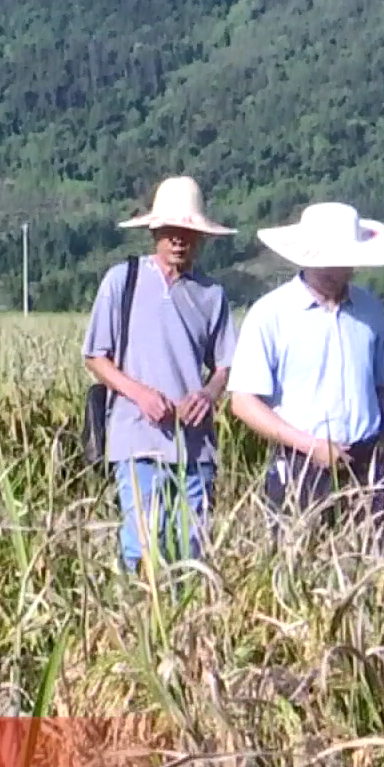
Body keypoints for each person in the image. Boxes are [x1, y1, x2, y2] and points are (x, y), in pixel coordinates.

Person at [82, 176, 240, 574]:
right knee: (143, 538)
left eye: (187, 233)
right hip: (136, 435)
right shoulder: (123, 280)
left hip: (194, 443)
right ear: (155, 231)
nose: (178, 241)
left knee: (191, 544)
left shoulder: (211, 294)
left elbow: (226, 364)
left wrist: (207, 395)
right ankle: (137, 611)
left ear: (200, 238)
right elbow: (96, 357)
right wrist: (140, 394)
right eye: (171, 232)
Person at [228, 202, 384, 551]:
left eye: (341, 260)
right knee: (299, 571)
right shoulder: (270, 314)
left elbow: (383, 390)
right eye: (324, 258)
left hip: (367, 464)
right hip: (299, 467)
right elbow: (243, 402)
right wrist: (311, 446)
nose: (332, 269)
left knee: (372, 566)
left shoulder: (372, 311)